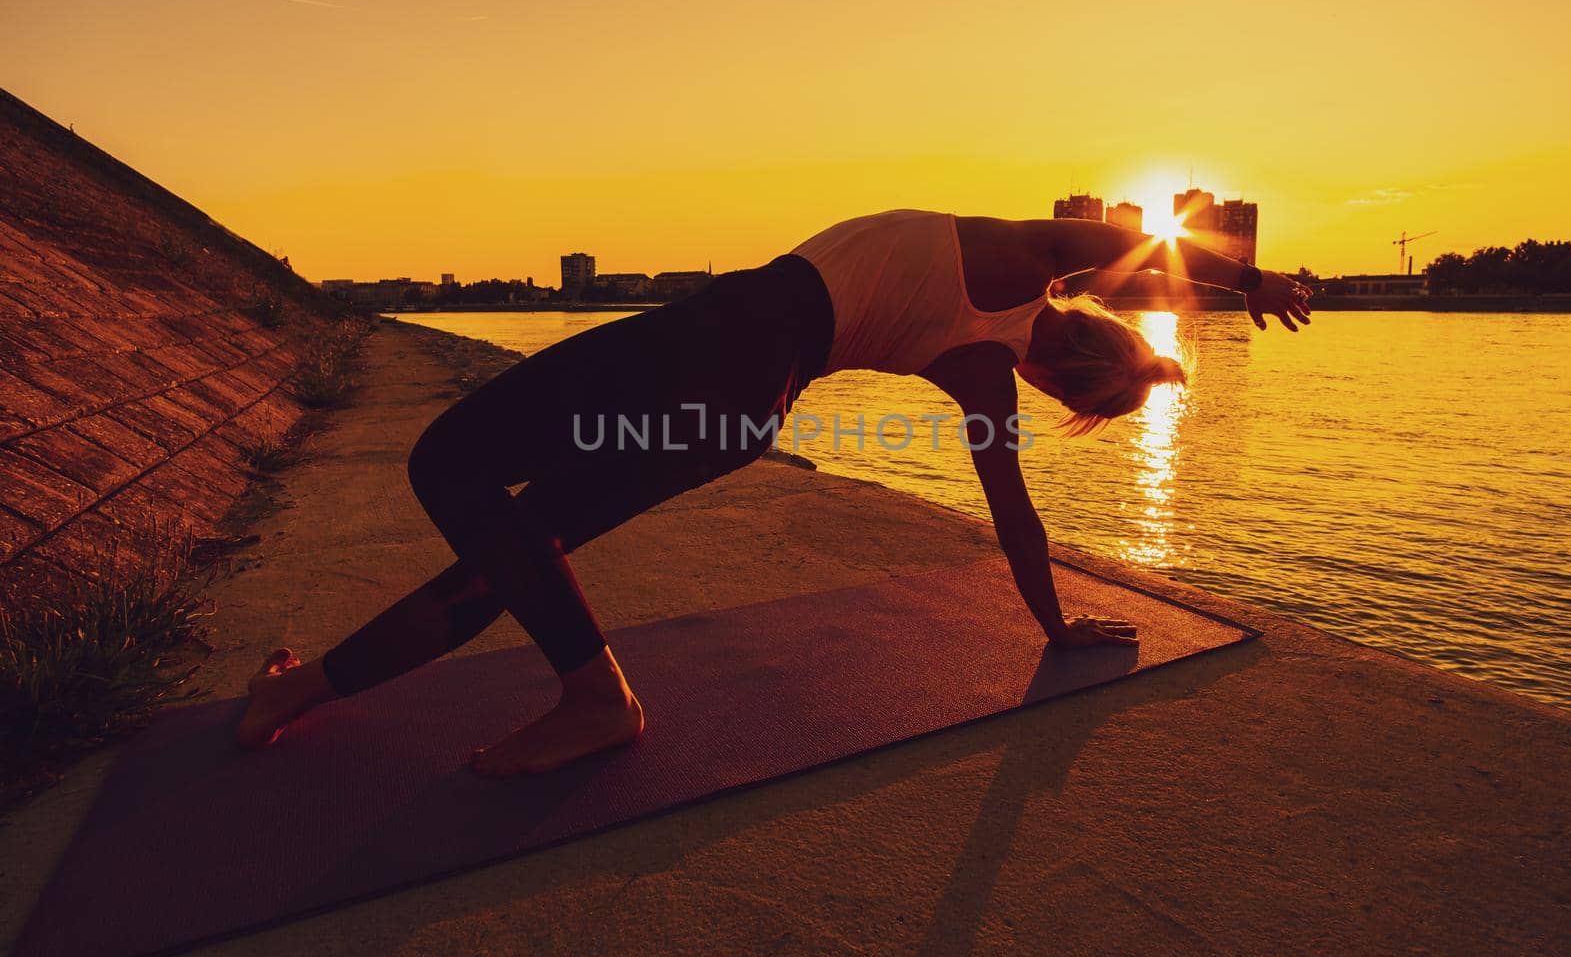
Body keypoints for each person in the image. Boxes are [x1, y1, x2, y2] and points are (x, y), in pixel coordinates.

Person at [237, 210, 1311, 775]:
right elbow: (1014, 515)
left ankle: (595, 697)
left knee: (449, 466)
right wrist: (1054, 623)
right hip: (741, 412)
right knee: (520, 539)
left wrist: (1252, 278)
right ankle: (301, 692)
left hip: (717, 348)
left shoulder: (1018, 256)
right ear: (1063, 386)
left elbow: (1144, 241)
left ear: (1098, 325)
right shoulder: (982, 370)